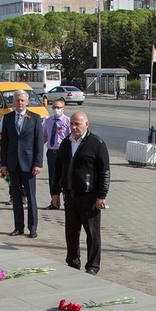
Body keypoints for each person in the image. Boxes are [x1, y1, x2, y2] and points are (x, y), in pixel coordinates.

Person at [51, 112, 109, 275]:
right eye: (72, 124)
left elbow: (104, 171)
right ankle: (72, 262)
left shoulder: (96, 143)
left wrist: (101, 195)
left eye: (78, 124)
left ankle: (92, 265)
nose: (74, 127)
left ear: (87, 124)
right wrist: (55, 192)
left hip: (89, 196)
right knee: (71, 231)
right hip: (70, 194)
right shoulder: (66, 143)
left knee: (92, 233)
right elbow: (58, 169)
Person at [0, 90, 43, 238]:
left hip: (29, 163)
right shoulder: (7, 118)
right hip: (13, 163)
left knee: (31, 197)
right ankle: (19, 227)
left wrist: (38, 163)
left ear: (27, 102)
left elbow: (39, 143)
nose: (20, 103)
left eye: (23, 100)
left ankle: (33, 228)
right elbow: (4, 143)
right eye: (17, 100)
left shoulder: (35, 118)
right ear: (13, 102)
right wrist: (3, 163)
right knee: (16, 197)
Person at [42, 98, 71, 210]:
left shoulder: (68, 122)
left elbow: (71, 138)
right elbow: (45, 136)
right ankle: (54, 201)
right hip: (51, 153)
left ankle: (67, 201)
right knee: (53, 178)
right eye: (54, 107)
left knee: (64, 177)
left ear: (63, 109)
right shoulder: (48, 121)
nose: (56, 109)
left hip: (63, 153)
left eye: (58, 107)